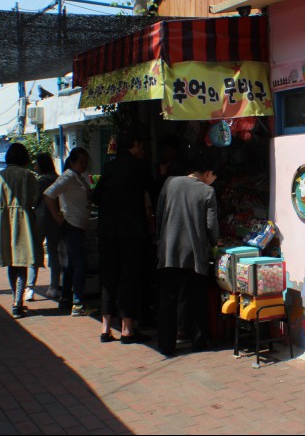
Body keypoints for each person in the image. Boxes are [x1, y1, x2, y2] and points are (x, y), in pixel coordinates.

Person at [92, 129, 154, 344]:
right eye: (141, 146)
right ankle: (127, 330)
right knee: (129, 276)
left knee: (108, 278)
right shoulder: (139, 167)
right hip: (131, 231)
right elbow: (154, 189)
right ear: (135, 144)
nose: (143, 150)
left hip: (107, 231)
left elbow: (96, 197)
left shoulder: (109, 167)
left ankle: (106, 328)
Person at [156, 154, 219, 356]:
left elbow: (159, 215)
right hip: (195, 254)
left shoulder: (169, 183)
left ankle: (166, 344)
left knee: (168, 300)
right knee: (197, 299)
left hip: (169, 251)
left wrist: (160, 238)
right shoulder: (207, 191)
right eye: (214, 177)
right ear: (208, 173)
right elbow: (211, 225)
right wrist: (215, 242)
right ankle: (198, 341)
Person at [0, 143, 42, 319]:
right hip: (22, 221)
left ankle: (15, 300)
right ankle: (17, 303)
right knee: (22, 261)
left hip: (2, 223)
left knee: (11, 262)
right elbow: (35, 198)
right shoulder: (27, 175)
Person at [44, 147, 93, 317]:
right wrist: (57, 217)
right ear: (72, 162)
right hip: (72, 225)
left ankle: (66, 298)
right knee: (80, 264)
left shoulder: (79, 177)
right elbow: (49, 194)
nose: (84, 165)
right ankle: (77, 303)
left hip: (78, 225)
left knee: (72, 265)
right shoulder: (68, 176)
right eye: (81, 162)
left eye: (86, 162)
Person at [26, 154, 61, 301]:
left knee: (35, 252)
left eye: (37, 164)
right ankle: (54, 286)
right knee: (54, 253)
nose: (35, 167)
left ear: (42, 165)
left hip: (40, 220)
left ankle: (30, 287)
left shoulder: (41, 182)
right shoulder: (58, 179)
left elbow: (34, 200)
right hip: (55, 220)